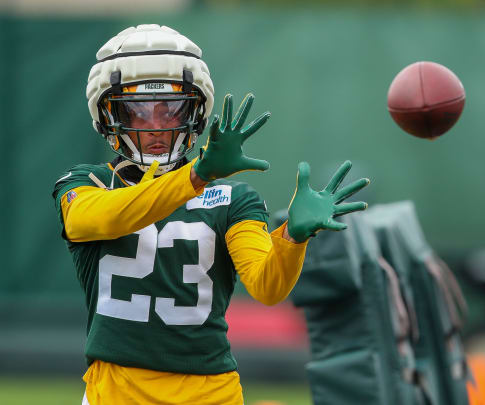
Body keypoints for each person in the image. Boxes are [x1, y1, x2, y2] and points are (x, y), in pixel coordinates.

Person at [51, 24, 370, 405]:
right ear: (108, 116)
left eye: (171, 110)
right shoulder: (90, 182)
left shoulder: (232, 198)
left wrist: (292, 239)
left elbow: (267, 287)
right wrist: (196, 176)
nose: (155, 126)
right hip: (116, 393)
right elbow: (93, 219)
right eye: (136, 111)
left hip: (211, 393)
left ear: (196, 114)